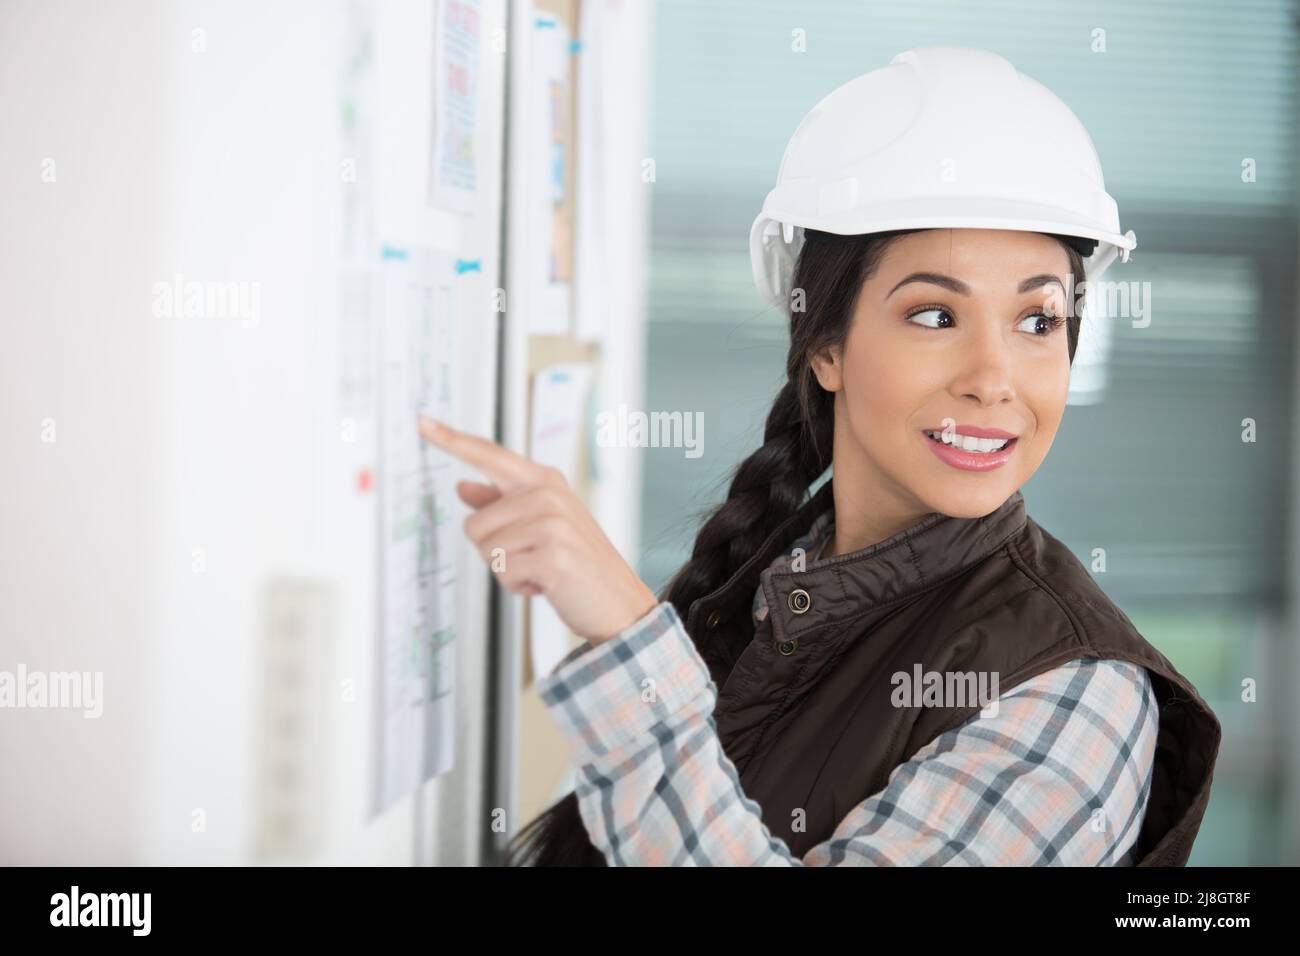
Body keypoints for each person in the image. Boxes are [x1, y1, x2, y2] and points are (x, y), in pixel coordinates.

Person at [420, 46, 1221, 866]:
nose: (993, 380)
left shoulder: (1077, 697)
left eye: (1038, 320)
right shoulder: (777, 585)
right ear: (826, 347)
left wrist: (630, 639)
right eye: (936, 316)